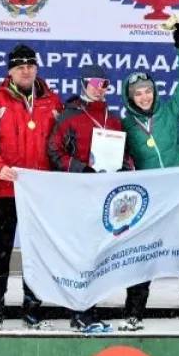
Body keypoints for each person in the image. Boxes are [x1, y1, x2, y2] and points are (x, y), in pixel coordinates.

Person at [0, 43, 64, 330]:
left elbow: (62, 143)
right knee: (1, 249)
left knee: (38, 251)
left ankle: (32, 309)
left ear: (36, 68)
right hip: (6, 190)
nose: (26, 71)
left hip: (40, 192)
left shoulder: (52, 101)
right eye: (20, 67)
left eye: (30, 66)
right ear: (10, 71)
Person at [119, 22, 179, 330]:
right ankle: (134, 312)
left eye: (148, 91)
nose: (144, 97)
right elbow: (114, 160)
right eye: (138, 93)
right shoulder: (125, 126)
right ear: (129, 97)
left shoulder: (170, 112)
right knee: (141, 256)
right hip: (148, 200)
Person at [48, 65, 130, 333]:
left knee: (97, 255)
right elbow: (54, 151)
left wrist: (125, 168)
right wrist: (81, 169)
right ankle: (79, 312)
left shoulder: (113, 119)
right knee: (80, 254)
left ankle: (90, 310)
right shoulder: (69, 116)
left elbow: (126, 154)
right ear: (83, 83)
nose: (99, 88)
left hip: (105, 196)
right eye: (94, 82)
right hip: (78, 193)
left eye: (104, 83)